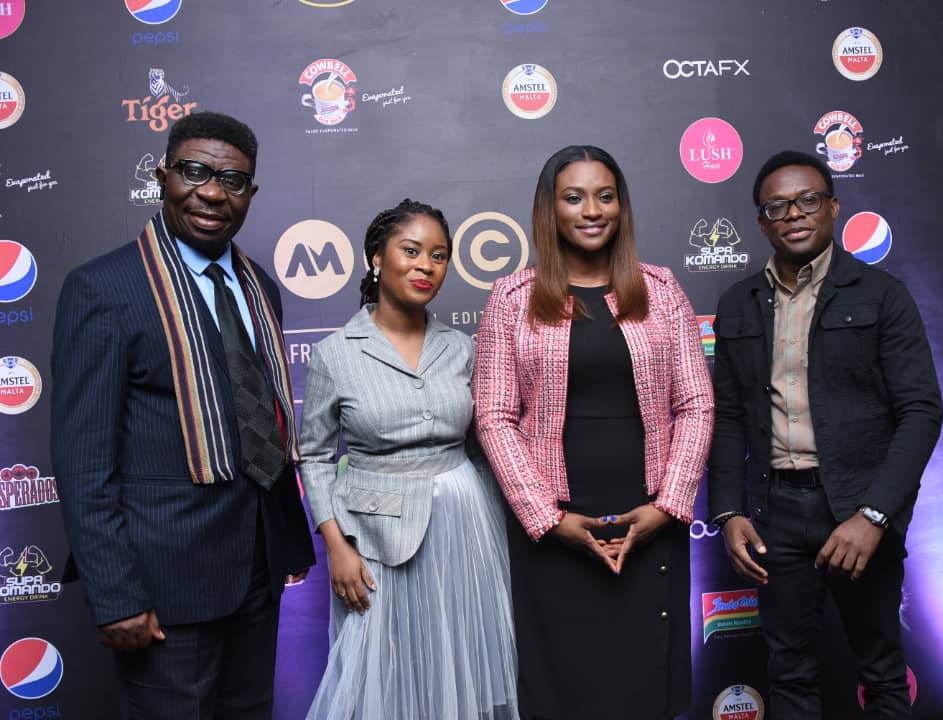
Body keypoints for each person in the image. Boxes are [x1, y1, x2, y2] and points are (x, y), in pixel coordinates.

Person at [51, 111, 316, 719]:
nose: (213, 193)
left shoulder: (259, 286)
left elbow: (262, 417)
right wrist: (116, 594)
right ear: (163, 175)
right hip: (163, 585)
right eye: (194, 172)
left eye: (234, 180)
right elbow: (82, 459)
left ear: (251, 193)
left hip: (255, 570)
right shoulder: (105, 288)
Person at [473, 146, 714, 720]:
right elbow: (494, 416)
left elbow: (697, 403)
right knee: (561, 688)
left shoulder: (661, 291)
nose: (592, 210)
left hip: (648, 520)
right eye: (574, 196)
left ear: (621, 207)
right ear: (550, 209)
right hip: (556, 529)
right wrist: (547, 520)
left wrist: (668, 507)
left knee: (643, 686)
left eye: (605, 196)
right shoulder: (511, 300)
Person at [708, 150, 943, 720]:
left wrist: (875, 516)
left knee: (883, 672)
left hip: (859, 512)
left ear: (833, 208)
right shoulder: (738, 303)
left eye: (808, 200)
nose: (794, 214)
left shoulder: (882, 294)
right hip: (777, 514)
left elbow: (921, 411)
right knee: (788, 674)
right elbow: (729, 414)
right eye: (777, 206)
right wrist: (728, 511)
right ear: (762, 222)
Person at [299, 199, 519, 720]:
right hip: (375, 534)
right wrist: (337, 545)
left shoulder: (461, 347)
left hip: (467, 525)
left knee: (463, 660)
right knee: (383, 670)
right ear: (377, 258)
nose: (427, 265)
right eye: (412, 251)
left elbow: (480, 444)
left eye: (439, 256)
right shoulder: (337, 352)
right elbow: (313, 455)